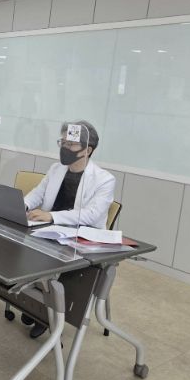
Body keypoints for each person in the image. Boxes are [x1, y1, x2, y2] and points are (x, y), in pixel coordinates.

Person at [23, 120, 115, 336]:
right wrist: (23, 205)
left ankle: (46, 313)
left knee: (49, 264)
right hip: (49, 230)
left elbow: (91, 214)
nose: (64, 148)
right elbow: (38, 193)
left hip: (80, 239)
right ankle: (34, 303)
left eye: (71, 144)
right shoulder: (56, 169)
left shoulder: (104, 180)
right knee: (20, 248)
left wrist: (52, 216)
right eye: (62, 142)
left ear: (87, 150)